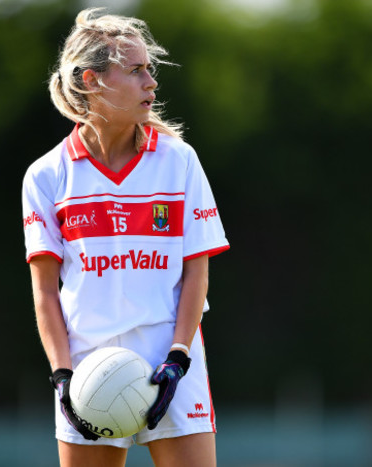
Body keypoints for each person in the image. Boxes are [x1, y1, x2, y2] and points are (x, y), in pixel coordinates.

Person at [22, 8, 229, 467]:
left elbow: (197, 271)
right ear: (92, 81)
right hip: (87, 373)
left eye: (149, 70)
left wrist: (178, 359)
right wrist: (63, 377)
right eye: (136, 71)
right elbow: (44, 293)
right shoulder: (46, 175)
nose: (151, 83)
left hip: (172, 364)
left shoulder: (179, 161)